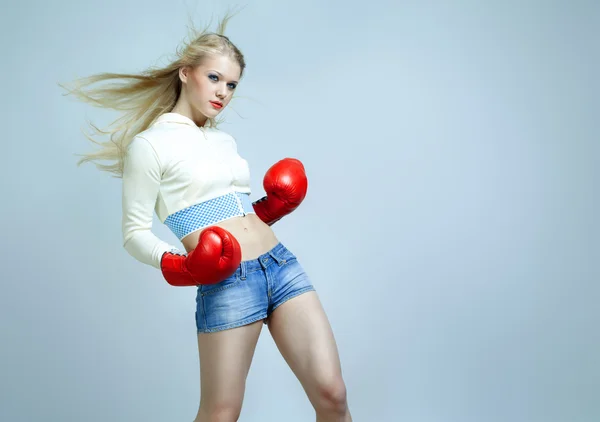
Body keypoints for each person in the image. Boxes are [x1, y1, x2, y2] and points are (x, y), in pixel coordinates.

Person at [62, 12, 352, 422]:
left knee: (333, 394)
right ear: (186, 73)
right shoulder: (149, 145)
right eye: (214, 78)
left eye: (232, 84)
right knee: (220, 413)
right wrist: (178, 265)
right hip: (226, 280)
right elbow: (133, 232)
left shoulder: (222, 138)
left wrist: (270, 209)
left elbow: (231, 209)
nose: (223, 92)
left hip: (280, 265)